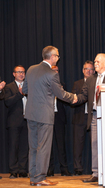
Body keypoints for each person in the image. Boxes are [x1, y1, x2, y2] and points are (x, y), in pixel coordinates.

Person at [22, 45, 77, 186]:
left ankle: (33, 177)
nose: (58, 58)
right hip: (45, 115)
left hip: (30, 113)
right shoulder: (52, 73)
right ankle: (40, 178)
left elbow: (25, 90)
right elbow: (60, 93)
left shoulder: (30, 69)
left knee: (33, 147)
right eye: (57, 56)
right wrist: (73, 97)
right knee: (43, 147)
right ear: (52, 57)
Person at [77, 53, 105, 184]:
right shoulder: (91, 79)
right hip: (95, 116)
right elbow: (83, 95)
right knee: (95, 144)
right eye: (95, 61)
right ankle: (96, 173)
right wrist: (73, 98)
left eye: (97, 62)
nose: (95, 63)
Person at [47, 65, 72, 177]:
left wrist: (60, 89)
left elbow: (65, 100)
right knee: (49, 145)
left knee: (61, 144)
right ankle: (49, 169)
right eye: (53, 71)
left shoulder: (62, 85)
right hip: (47, 116)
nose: (55, 72)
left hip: (59, 117)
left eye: (57, 70)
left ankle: (64, 169)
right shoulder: (45, 84)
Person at [4, 65, 28, 179]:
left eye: (23, 72)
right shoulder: (9, 87)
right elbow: (7, 102)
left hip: (27, 120)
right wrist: (19, 94)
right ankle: (13, 170)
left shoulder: (29, 86)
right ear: (14, 74)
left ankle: (23, 170)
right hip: (14, 121)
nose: (21, 74)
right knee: (14, 146)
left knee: (25, 146)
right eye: (19, 72)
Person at [71, 60, 95, 176]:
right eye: (86, 69)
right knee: (78, 144)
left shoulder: (97, 82)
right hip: (80, 117)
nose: (88, 71)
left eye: (91, 69)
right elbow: (73, 101)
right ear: (83, 71)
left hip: (93, 117)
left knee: (94, 143)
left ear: (94, 71)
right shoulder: (77, 83)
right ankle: (78, 168)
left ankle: (95, 168)